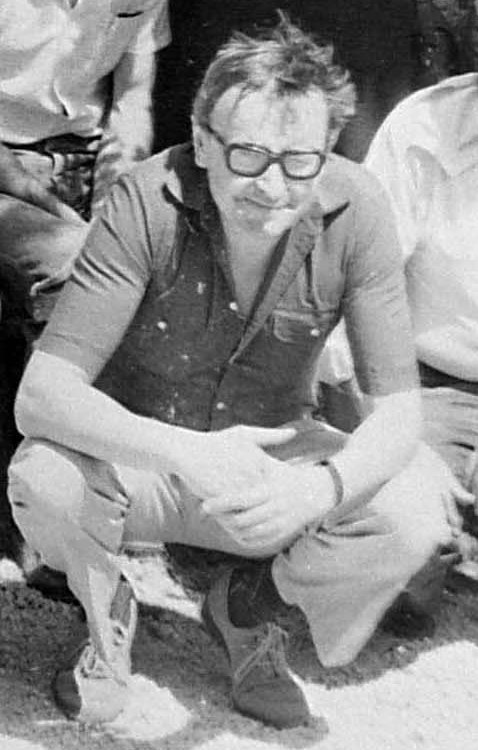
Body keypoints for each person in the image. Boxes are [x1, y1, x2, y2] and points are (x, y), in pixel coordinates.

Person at [8, 17, 451, 729]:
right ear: (202, 140)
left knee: (414, 506)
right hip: (143, 463)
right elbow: (42, 397)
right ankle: (105, 608)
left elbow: (399, 414)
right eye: (247, 155)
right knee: (44, 479)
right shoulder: (144, 200)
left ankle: (250, 606)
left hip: (268, 472)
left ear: (328, 149)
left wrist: (319, 489)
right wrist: (187, 452)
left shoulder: (358, 207)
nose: (271, 186)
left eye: (299, 160)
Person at [0, 0, 170, 563]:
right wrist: (50, 207)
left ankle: (85, 509)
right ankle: (44, 523)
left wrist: (116, 209)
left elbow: (132, 100)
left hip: (85, 166)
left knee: (138, 270)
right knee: (72, 270)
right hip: (6, 165)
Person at [365, 72, 478, 547]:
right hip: (426, 390)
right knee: (400, 524)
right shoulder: (424, 126)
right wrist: (393, 438)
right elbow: (362, 299)